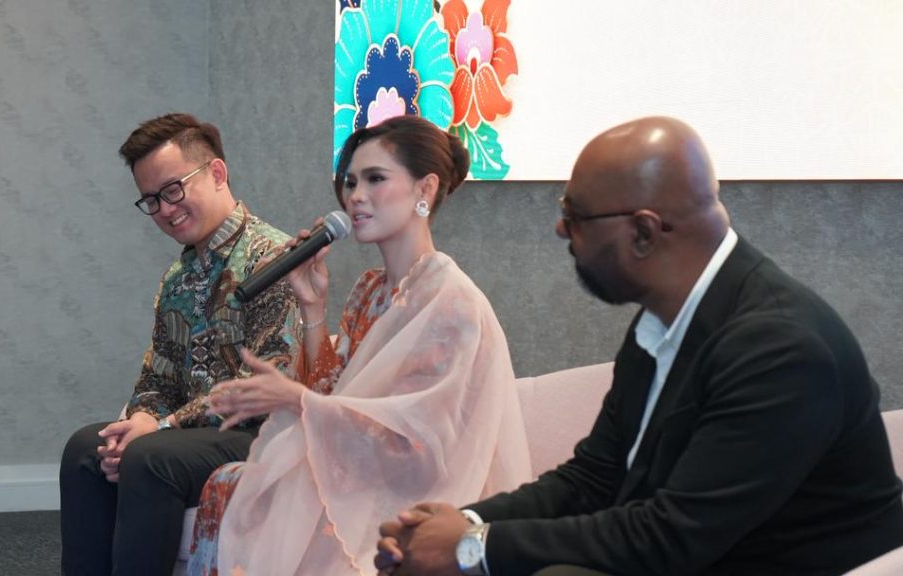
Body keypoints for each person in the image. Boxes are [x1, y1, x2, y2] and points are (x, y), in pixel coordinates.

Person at [375, 116, 903, 576]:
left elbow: (673, 536)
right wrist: (462, 523)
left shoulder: (780, 350)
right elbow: (595, 478)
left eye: (575, 216)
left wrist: (472, 548)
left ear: (645, 233)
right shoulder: (662, 321)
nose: (560, 229)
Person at [186, 114, 532, 575]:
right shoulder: (369, 289)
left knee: (253, 492)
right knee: (229, 482)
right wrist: (312, 306)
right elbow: (330, 390)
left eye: (375, 179)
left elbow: (423, 444)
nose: (355, 196)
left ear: (425, 189)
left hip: (419, 493)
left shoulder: (451, 301)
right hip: (358, 471)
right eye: (350, 182)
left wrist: (296, 399)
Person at [59, 113, 299, 576]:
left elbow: (266, 384)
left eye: (172, 190)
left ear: (216, 173)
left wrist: (163, 427)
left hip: (261, 433)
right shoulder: (177, 277)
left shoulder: (274, 258)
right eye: (151, 200)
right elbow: (159, 374)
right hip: (188, 436)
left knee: (150, 457)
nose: (165, 210)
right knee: (87, 448)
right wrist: (141, 418)